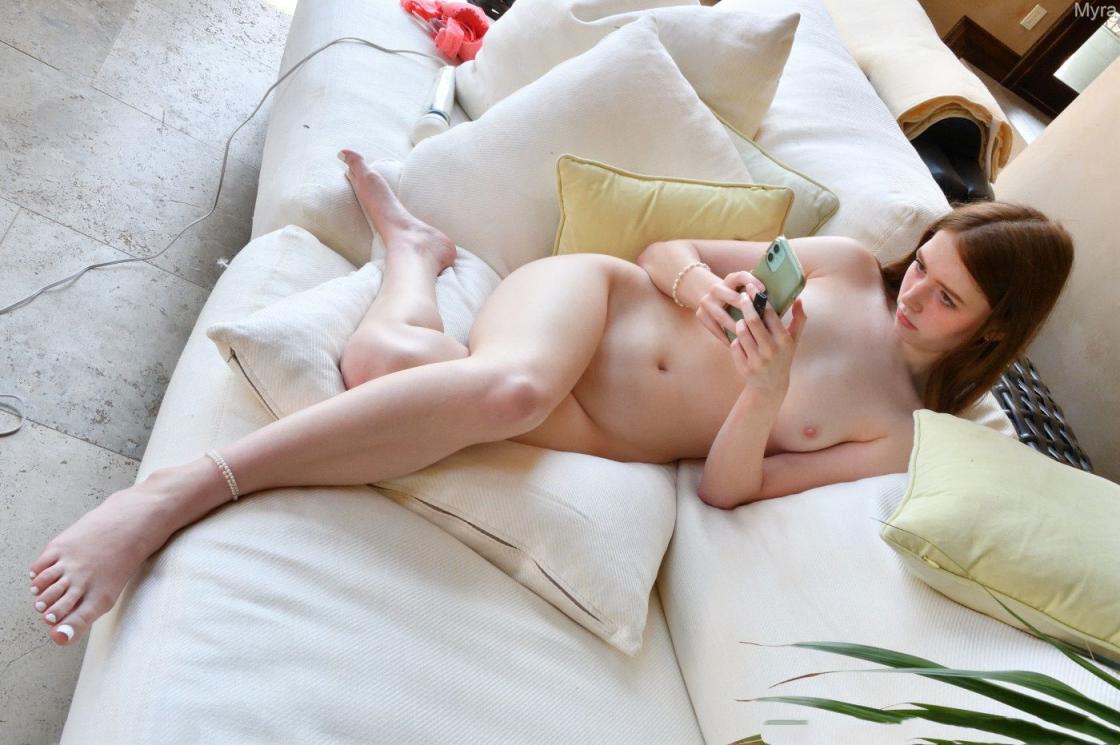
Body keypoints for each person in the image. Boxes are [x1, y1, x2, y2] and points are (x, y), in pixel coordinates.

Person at [26, 150, 1074, 646]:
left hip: (598, 426)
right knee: (509, 388)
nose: (912, 294)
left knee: (388, 372)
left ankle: (413, 258)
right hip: (594, 305)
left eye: (944, 299)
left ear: (990, 332)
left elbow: (724, 491)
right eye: (923, 264)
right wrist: (700, 288)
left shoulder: (894, 434)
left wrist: (761, 395)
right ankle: (176, 493)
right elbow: (661, 251)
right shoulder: (842, 265)